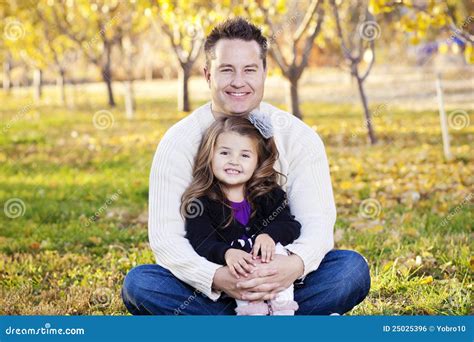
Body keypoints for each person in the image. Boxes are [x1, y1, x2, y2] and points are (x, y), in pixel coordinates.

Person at [122, 17, 370, 315]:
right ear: (208, 75)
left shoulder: (300, 137)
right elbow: (166, 240)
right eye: (226, 69)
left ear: (265, 72)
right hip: (211, 290)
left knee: (350, 270)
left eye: (249, 69)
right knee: (141, 284)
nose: (239, 81)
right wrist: (218, 278)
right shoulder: (178, 142)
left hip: (285, 285)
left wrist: (290, 267)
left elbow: (316, 226)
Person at [183, 114, 301, 315]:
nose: (234, 161)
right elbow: (201, 241)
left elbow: (290, 225)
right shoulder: (202, 203)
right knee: (144, 282)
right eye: (225, 153)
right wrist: (226, 253)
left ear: (258, 161)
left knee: (348, 268)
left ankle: (282, 313)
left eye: (245, 155)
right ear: (209, 155)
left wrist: (268, 235)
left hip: (276, 284)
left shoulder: (269, 194)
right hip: (229, 291)